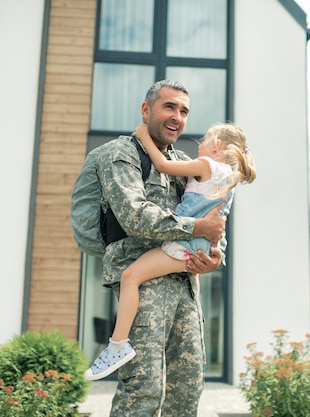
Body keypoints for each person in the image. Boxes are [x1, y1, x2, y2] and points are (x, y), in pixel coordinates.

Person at [85, 80, 227, 417]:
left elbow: (210, 215)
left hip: (186, 288)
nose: (177, 116)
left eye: (184, 111)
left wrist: (215, 256)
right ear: (146, 110)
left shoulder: (185, 163)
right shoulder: (121, 154)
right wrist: (197, 228)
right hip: (144, 288)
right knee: (144, 391)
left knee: (187, 389)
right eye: (169, 107)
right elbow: (136, 216)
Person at [85, 121, 256, 381]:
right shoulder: (230, 177)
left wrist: (144, 136)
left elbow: (163, 165)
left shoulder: (207, 166)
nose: (199, 147)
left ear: (217, 145)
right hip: (201, 246)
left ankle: (117, 345)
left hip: (184, 243)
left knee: (131, 276)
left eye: (204, 141)